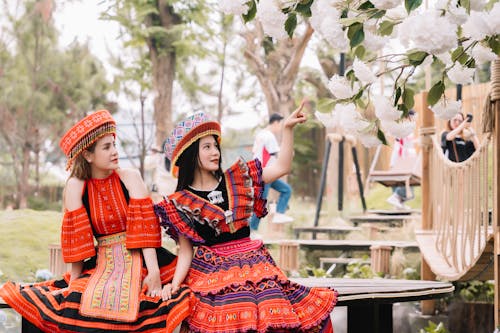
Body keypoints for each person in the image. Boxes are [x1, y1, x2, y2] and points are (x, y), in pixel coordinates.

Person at [0, 110, 193, 332]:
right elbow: (79, 243)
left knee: (143, 308)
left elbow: (144, 231)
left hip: (140, 259)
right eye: (106, 147)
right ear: (88, 156)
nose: (115, 152)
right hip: (103, 264)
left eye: (114, 144)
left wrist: (154, 274)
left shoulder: (130, 177)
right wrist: (72, 285)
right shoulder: (76, 186)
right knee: (61, 303)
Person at [154, 102, 337, 333]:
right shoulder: (181, 201)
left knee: (279, 316)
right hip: (213, 272)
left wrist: (288, 130)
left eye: (215, 146)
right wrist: (174, 285)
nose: (215, 152)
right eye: (207, 147)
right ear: (191, 154)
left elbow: (282, 166)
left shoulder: (238, 179)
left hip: (255, 264)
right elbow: (186, 251)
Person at [249, 112, 294, 237]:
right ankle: (251, 230)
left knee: (286, 190)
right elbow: (277, 155)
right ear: (275, 123)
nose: (280, 128)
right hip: (264, 173)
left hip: (264, 172)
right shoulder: (269, 136)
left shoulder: (260, 135)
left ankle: (279, 214)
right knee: (260, 202)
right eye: (280, 124)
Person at [386, 110, 417, 210]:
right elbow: (400, 143)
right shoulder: (404, 127)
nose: (415, 119)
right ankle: (396, 197)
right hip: (401, 159)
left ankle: (399, 203)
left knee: (403, 180)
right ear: (409, 117)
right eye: (414, 117)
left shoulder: (409, 129)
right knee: (404, 180)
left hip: (403, 158)